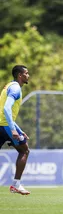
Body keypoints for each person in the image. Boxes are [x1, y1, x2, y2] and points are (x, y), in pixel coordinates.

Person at [0, 65, 30, 195]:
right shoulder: (16, 88)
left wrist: (19, 129)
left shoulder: (9, 86)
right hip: (5, 125)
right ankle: (16, 184)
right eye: (26, 73)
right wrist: (13, 129)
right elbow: (6, 109)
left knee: (23, 149)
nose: (28, 76)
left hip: (3, 124)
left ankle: (16, 185)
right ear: (20, 75)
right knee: (24, 150)